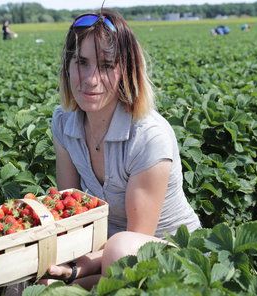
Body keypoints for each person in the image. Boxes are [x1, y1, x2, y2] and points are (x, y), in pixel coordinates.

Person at [42, 8, 201, 289]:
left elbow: (134, 245)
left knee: (119, 248)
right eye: (81, 62)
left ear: (126, 69)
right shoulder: (64, 122)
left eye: (106, 65)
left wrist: (74, 271)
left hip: (166, 254)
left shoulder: (149, 136)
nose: (91, 79)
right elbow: (69, 213)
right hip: (102, 248)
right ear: (66, 66)